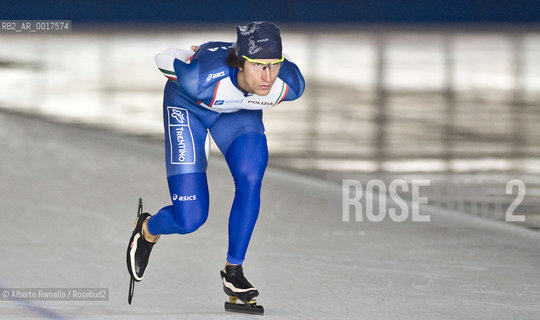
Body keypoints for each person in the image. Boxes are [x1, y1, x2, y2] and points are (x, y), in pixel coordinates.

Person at [126, 21, 305, 304]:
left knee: (251, 175)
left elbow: (281, 67)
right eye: (259, 65)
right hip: (190, 108)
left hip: (237, 113)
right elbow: (162, 57)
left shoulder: (289, 85)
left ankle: (233, 270)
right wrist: (198, 54)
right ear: (241, 63)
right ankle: (147, 229)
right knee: (190, 218)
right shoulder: (199, 77)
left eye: (274, 65)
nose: (268, 76)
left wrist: (254, 58)